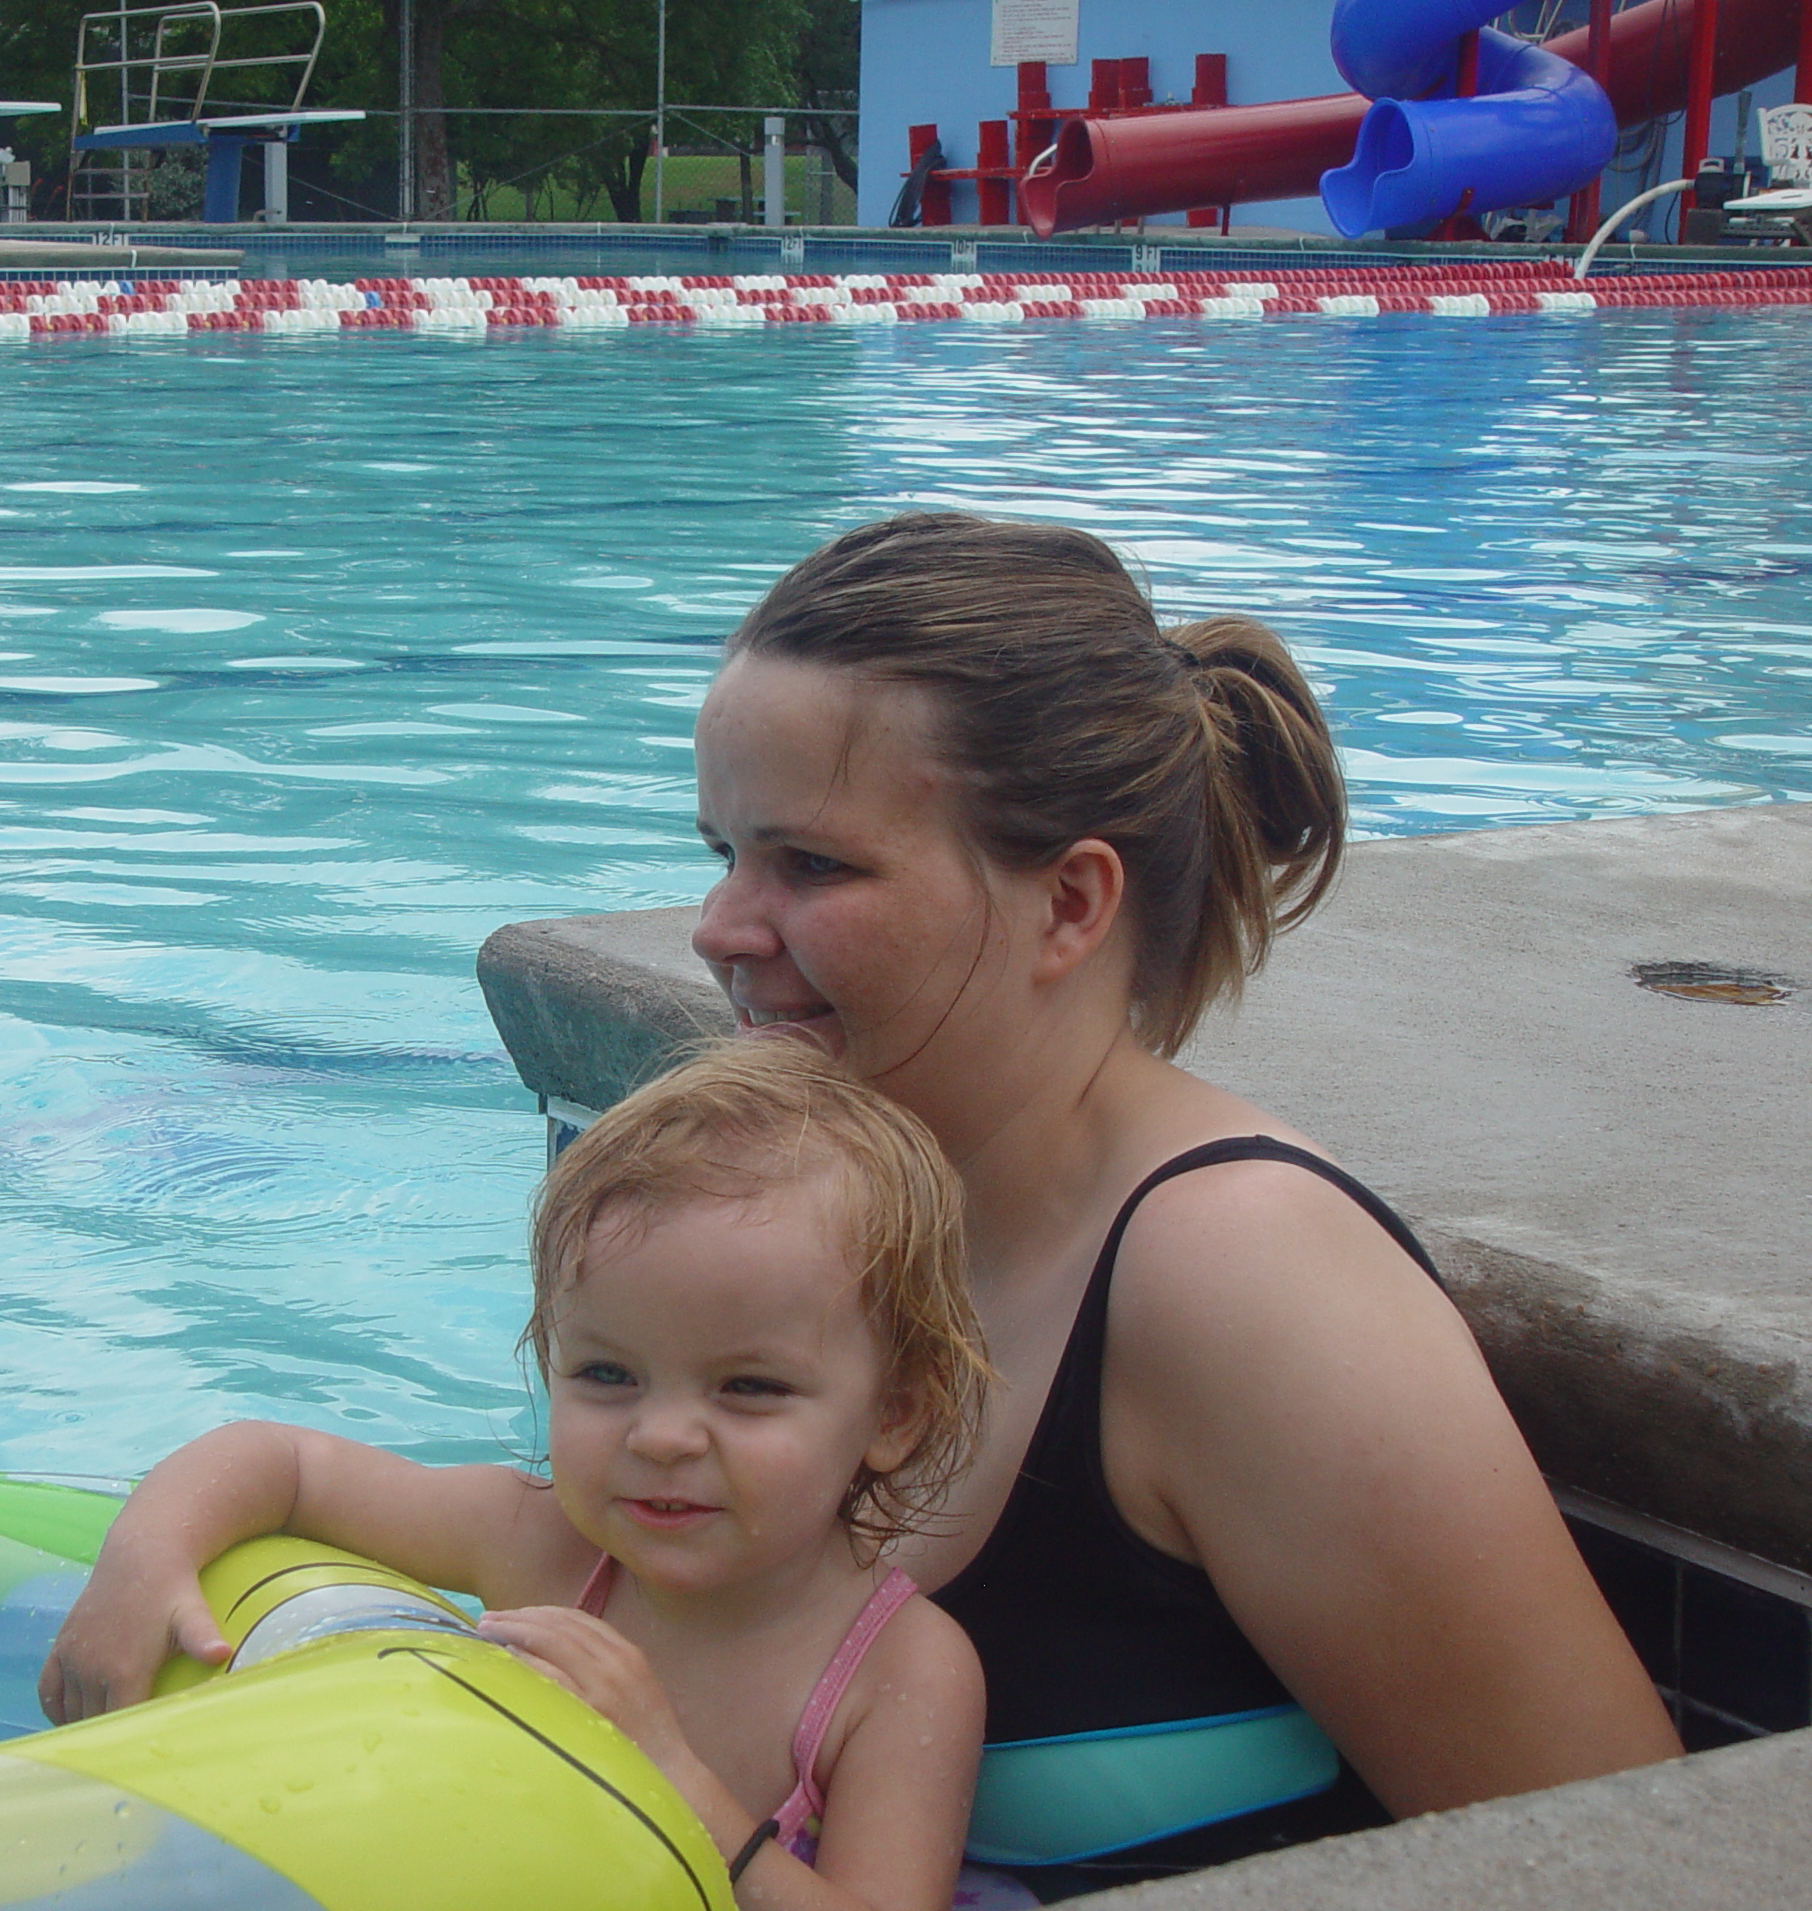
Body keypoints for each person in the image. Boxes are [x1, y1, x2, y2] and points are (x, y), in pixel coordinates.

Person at [687, 511, 1682, 1894]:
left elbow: (1631, 1868)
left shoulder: (1244, 1282)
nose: (719, 927)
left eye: (808, 865)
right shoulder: (836, 1223)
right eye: (724, 850)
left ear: (1072, 903)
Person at [44, 1038, 1000, 1911]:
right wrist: (146, 1555)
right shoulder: (538, 1538)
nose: (662, 1436)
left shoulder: (900, 1673)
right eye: (607, 1374)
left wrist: (674, 1778)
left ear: (892, 1415)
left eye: (749, 1387)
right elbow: (285, 1461)